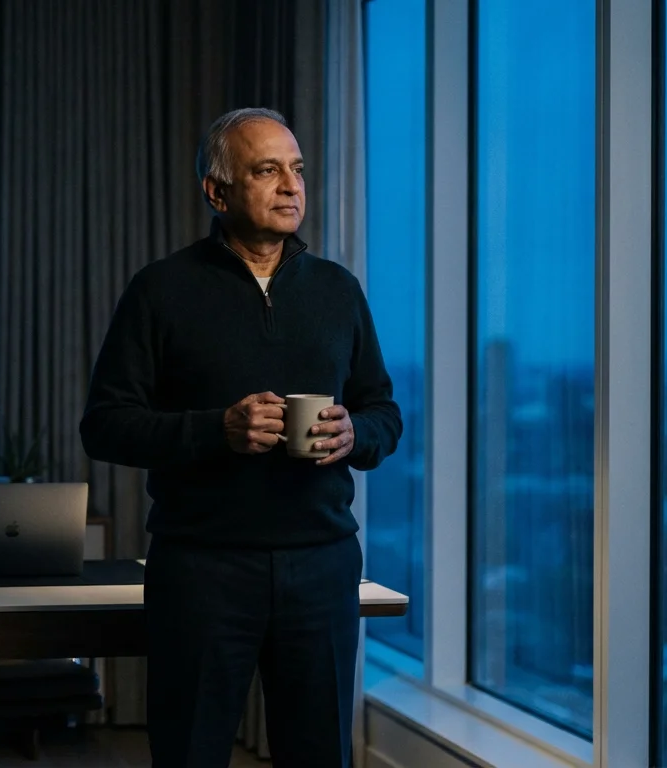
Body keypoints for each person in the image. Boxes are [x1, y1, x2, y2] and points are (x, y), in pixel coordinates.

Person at [79, 107, 402, 767]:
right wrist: (216, 430)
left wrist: (353, 434)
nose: (291, 186)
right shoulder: (161, 290)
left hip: (322, 563)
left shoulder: (338, 290)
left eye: (297, 169)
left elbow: (383, 412)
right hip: (202, 567)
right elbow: (104, 424)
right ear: (217, 192)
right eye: (267, 170)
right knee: (189, 754)